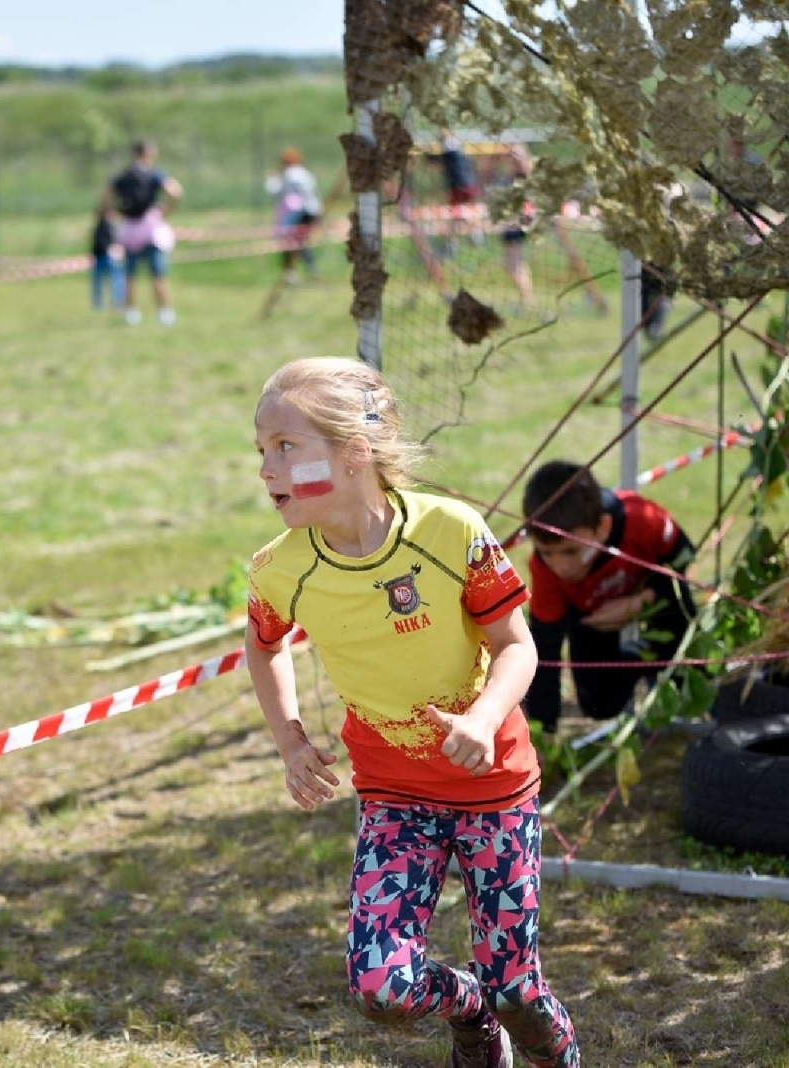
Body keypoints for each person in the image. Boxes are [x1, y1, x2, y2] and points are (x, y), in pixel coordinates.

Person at [245, 357, 579, 1068]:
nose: (267, 470)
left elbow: (517, 644)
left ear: (355, 453)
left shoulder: (451, 531)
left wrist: (484, 719)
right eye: (260, 451)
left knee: (517, 989)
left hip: (495, 789)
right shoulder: (279, 567)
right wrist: (291, 741)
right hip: (396, 795)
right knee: (381, 988)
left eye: (286, 448)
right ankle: (472, 1018)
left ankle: (526, 1031)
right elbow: (263, 644)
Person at [520, 460, 697, 737]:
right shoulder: (544, 572)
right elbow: (546, 650)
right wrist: (543, 730)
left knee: (686, 669)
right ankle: (636, 660)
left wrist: (639, 603)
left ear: (603, 528)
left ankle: (660, 666)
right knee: (598, 706)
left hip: (657, 601)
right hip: (591, 618)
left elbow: (684, 562)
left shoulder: (643, 519)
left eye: (570, 552)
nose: (560, 566)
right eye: (546, 552)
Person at [99, 139, 183, 326]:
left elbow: (104, 198)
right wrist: (166, 211)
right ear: (150, 154)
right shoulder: (154, 175)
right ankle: (165, 313)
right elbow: (175, 192)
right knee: (158, 274)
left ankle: (131, 313)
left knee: (130, 274)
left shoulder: (123, 177)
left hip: (129, 228)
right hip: (151, 228)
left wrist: (113, 212)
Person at [264, 147, 322, 283]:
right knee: (300, 242)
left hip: (297, 213)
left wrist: (271, 180)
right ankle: (310, 269)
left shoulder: (289, 175)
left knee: (290, 242)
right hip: (311, 211)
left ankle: (292, 272)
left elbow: (278, 193)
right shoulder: (305, 174)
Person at [497, 143, 536, 308]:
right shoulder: (511, 179)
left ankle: (527, 300)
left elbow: (529, 209)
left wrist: (521, 222)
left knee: (513, 265)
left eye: (515, 157)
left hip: (516, 227)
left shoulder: (524, 180)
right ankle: (527, 299)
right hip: (512, 226)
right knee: (515, 264)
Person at [89, 208, 126, 311]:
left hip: (106, 257)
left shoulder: (108, 226)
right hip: (103, 257)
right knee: (114, 281)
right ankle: (111, 303)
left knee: (114, 281)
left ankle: (115, 302)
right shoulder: (106, 226)